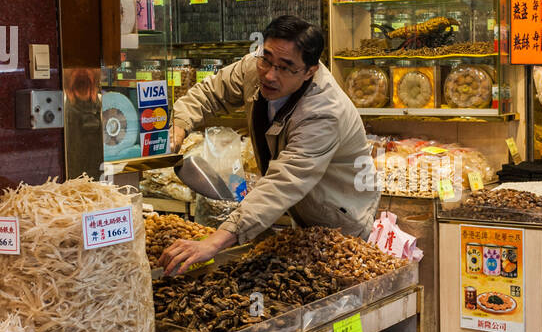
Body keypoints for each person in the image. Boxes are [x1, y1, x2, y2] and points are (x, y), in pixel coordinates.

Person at [158, 16, 379, 275]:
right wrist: (178, 126)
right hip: (299, 211)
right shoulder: (257, 66)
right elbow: (209, 93)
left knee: (332, 286)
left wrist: (214, 242)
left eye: (286, 67)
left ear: (310, 71)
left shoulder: (324, 112)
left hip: (339, 217)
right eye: (266, 59)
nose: (270, 75)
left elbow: (282, 183)